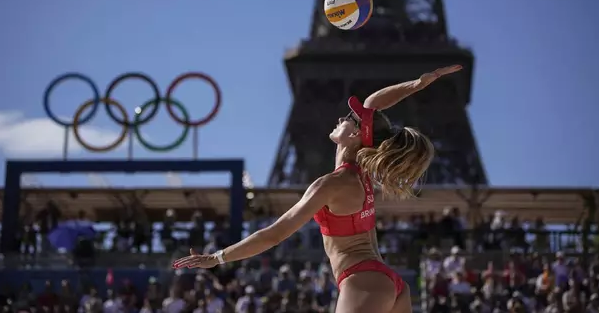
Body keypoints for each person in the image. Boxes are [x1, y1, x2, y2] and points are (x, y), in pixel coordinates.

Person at [173, 65, 463, 313]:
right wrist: (417, 84)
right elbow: (374, 103)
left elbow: (273, 235)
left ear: (355, 136)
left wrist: (217, 258)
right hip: (389, 284)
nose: (341, 118)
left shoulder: (331, 184)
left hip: (361, 280)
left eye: (349, 119)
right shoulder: (359, 174)